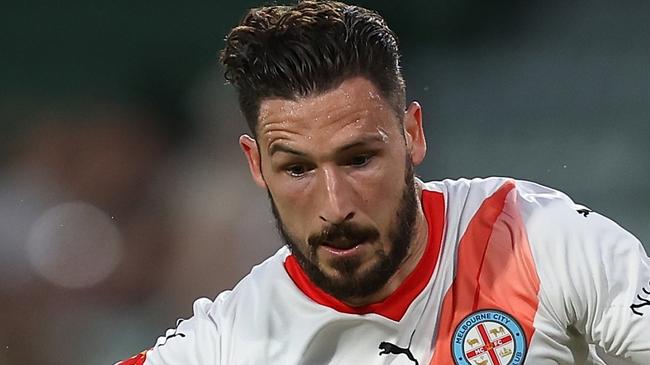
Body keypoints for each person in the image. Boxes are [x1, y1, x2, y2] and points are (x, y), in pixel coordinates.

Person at [117, 1, 650, 364]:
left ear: (412, 134)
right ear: (257, 166)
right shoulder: (235, 336)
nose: (335, 206)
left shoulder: (537, 238)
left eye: (359, 159)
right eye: (298, 169)